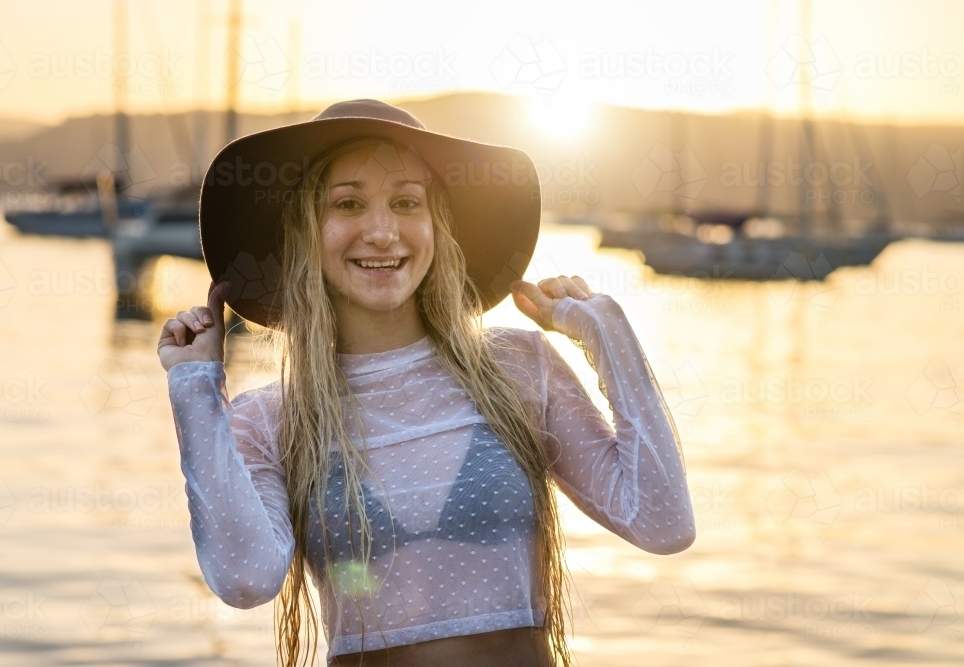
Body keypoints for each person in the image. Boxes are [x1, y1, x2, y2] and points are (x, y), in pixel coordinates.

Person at [157, 100, 695, 667]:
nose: (383, 231)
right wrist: (195, 388)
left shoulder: (517, 368)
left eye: (407, 202)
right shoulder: (271, 421)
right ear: (304, 232)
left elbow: (662, 524)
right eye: (348, 203)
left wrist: (606, 334)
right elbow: (245, 580)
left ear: (437, 224)